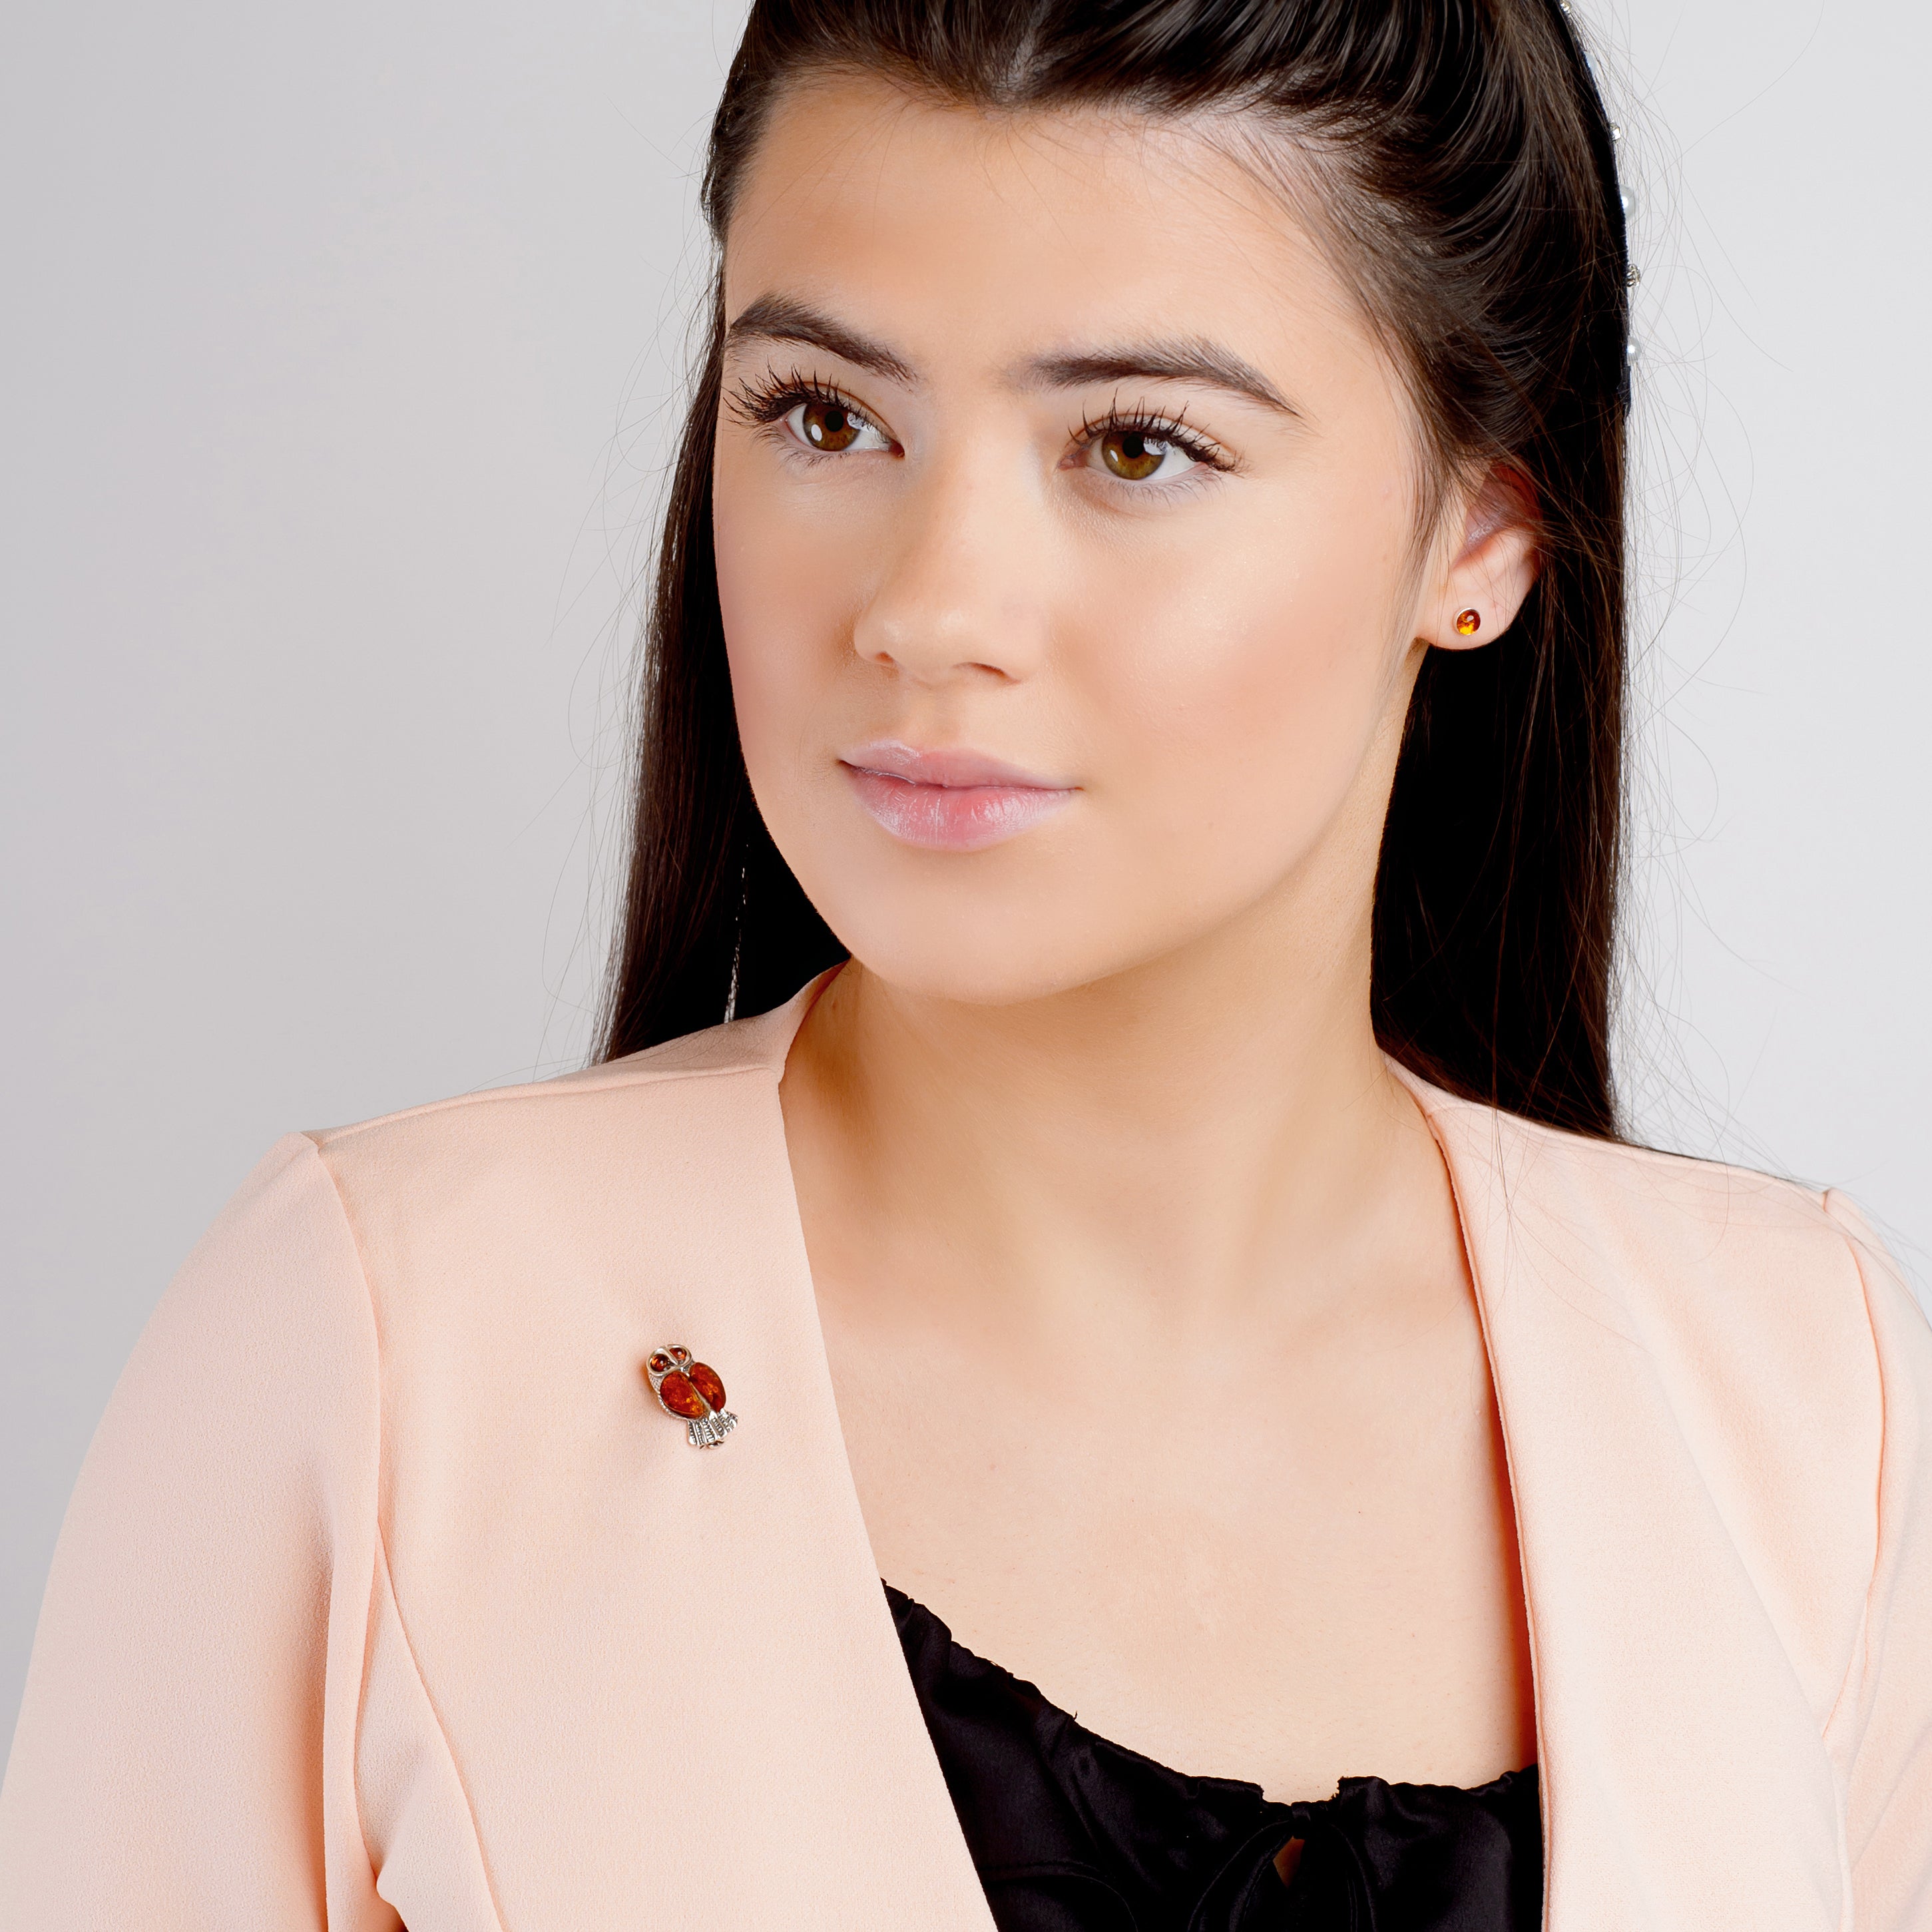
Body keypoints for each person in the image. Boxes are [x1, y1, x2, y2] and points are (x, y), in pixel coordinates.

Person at [3, 1, 1927, 1927]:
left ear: (1480, 531)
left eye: (1137, 446)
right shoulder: (385, 1354)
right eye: (825, 417)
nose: (928, 610)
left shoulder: (1805, 1393)